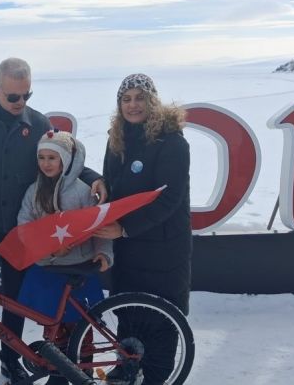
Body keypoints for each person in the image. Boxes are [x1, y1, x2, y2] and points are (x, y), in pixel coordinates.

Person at [0, 57, 107, 383]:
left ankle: (10, 359)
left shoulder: (39, 123)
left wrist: (95, 178)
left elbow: (66, 159)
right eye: (13, 96)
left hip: (22, 232)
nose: (20, 102)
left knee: (15, 301)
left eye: (26, 95)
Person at [95, 73, 192, 385]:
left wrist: (124, 228)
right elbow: (114, 185)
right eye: (126, 99)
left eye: (140, 98)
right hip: (128, 248)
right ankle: (126, 368)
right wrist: (100, 185)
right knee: (128, 312)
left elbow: (169, 200)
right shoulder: (117, 140)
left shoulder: (172, 142)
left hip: (163, 250)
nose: (132, 105)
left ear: (152, 101)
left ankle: (156, 377)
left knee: (160, 320)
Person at [16, 130, 112, 385]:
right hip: (49, 269)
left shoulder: (83, 191)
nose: (46, 163)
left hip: (79, 269)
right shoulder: (34, 191)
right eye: (42, 157)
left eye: (52, 158)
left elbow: (99, 224)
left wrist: (103, 252)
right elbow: (24, 228)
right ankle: (58, 374)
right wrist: (48, 249)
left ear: (66, 160)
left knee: (81, 326)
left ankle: (84, 373)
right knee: (53, 326)